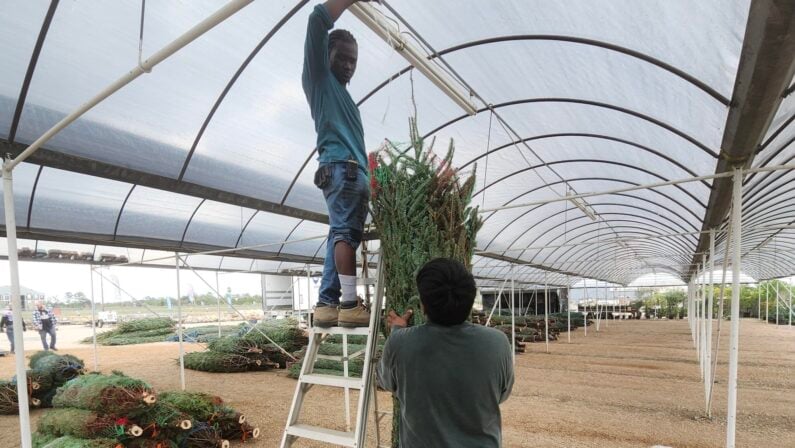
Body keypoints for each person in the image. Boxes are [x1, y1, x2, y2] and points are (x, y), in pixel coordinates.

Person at [378, 258, 515, 447]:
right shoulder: (497, 342)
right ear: (470, 300)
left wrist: (397, 331)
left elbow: (386, 382)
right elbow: (502, 395)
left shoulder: (400, 342)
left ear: (423, 306)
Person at [303, 0, 374, 327]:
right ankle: (348, 304)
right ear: (326, 55)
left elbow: (358, 147)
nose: (348, 65)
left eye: (352, 60)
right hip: (342, 170)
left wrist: (373, 172)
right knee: (344, 234)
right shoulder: (319, 80)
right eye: (342, 57)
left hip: (352, 172)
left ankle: (327, 304)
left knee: (339, 235)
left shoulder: (348, 101)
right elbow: (317, 19)